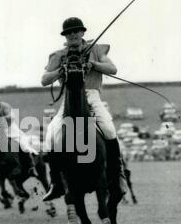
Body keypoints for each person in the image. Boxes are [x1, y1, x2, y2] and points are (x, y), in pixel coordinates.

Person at [41, 17, 127, 201]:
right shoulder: (58, 55)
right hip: (70, 97)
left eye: (75, 31)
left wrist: (93, 64)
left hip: (92, 95)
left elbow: (113, 69)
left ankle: (117, 175)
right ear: (65, 36)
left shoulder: (96, 50)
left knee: (109, 129)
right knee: (51, 132)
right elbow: (44, 80)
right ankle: (56, 183)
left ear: (82, 33)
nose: (72, 34)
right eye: (68, 32)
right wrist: (61, 70)